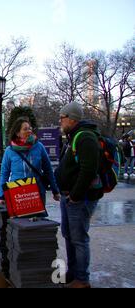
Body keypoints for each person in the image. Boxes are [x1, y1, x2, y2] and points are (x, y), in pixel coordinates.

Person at [55, 102, 104, 289]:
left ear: (72, 118)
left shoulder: (85, 137)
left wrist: (75, 195)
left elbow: (88, 170)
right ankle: (73, 272)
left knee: (79, 238)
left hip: (79, 200)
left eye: (62, 117)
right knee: (69, 235)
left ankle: (82, 280)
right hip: (69, 198)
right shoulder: (73, 136)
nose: (60, 120)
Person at [0, 117, 61, 209]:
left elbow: (48, 170)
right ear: (17, 133)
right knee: (19, 222)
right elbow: (4, 174)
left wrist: (55, 190)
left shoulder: (39, 147)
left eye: (29, 128)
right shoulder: (9, 151)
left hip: (36, 192)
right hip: (17, 194)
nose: (29, 131)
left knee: (37, 221)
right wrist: (2, 196)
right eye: (25, 129)